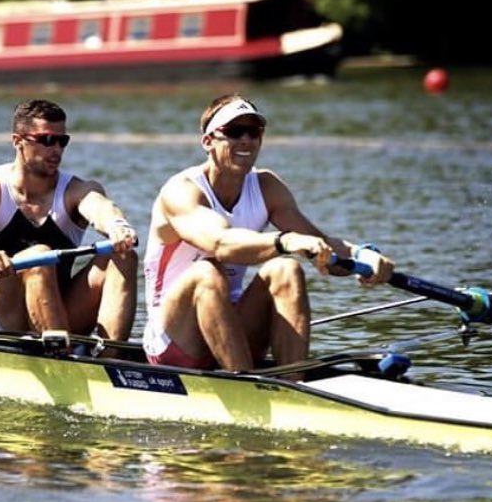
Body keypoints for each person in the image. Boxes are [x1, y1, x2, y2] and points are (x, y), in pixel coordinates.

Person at [142, 93, 395, 376]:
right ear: (208, 142)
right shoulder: (181, 191)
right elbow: (221, 244)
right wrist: (285, 240)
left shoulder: (266, 186)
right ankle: (247, 387)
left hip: (231, 328)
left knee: (286, 269)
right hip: (174, 341)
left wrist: (363, 255)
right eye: (234, 132)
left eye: (254, 131)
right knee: (207, 272)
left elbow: (322, 246)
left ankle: (293, 384)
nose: (246, 140)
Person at [0, 99, 139, 342]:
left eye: (62, 141)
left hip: (57, 310)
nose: (56, 150)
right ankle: (62, 357)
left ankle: (112, 358)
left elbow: (101, 208)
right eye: (47, 140)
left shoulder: (77, 190)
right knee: (36, 255)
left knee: (122, 256)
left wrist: (117, 226)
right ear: (18, 141)